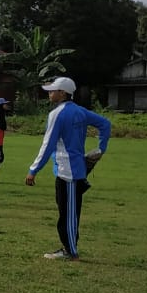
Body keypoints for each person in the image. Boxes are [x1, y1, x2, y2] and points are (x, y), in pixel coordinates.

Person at [27, 77, 111, 261]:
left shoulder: (57, 114)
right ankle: (68, 248)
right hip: (73, 168)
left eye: (53, 90)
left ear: (63, 93)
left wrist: (33, 169)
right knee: (66, 211)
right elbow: (105, 124)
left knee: (69, 214)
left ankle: (71, 251)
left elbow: (47, 144)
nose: (50, 93)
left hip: (68, 171)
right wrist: (101, 148)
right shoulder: (80, 112)